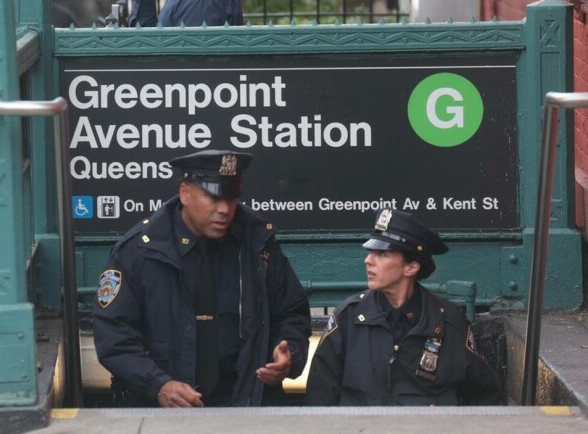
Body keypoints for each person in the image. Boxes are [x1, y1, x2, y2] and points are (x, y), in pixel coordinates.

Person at [92, 149, 311, 407]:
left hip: (246, 406)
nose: (225, 209)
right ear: (185, 193)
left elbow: (291, 313)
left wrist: (287, 354)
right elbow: (114, 335)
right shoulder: (138, 251)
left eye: (232, 198)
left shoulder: (257, 242)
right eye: (213, 197)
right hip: (162, 413)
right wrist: (157, 384)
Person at [306, 209, 503, 406]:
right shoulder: (348, 317)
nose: (368, 260)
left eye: (382, 254)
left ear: (411, 267)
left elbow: (485, 394)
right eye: (370, 252)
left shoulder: (448, 322)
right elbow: (320, 395)